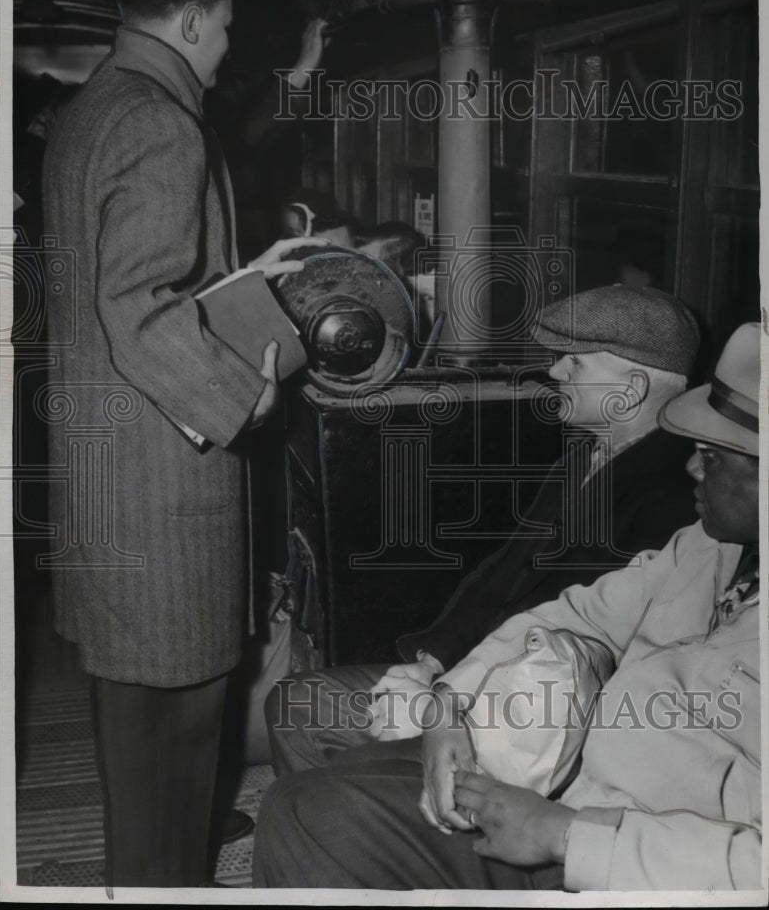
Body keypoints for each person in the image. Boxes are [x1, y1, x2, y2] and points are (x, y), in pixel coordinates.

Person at [252, 320, 761, 892]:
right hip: (555, 748)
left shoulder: (668, 504)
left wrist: (566, 836)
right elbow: (571, 611)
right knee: (310, 757)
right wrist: (447, 697)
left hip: (610, 842)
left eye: (715, 457)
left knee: (313, 811)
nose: (693, 467)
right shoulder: (708, 546)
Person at [41, 0, 316, 887]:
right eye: (225, 32)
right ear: (193, 21)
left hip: (105, 462)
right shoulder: (163, 123)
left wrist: (242, 277)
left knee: (136, 715)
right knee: (183, 705)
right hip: (165, 475)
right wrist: (246, 392)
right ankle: (167, 879)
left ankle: (151, 859)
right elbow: (139, 307)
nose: (226, 51)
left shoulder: (89, 111)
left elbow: (117, 284)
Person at [265, 284, 700, 775]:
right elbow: (501, 575)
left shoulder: (677, 501)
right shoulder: (588, 454)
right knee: (296, 701)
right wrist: (430, 662)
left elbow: (587, 654)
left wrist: (449, 699)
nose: (555, 371)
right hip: (482, 673)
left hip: (541, 716)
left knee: (312, 730)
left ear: (632, 388)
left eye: (574, 363)